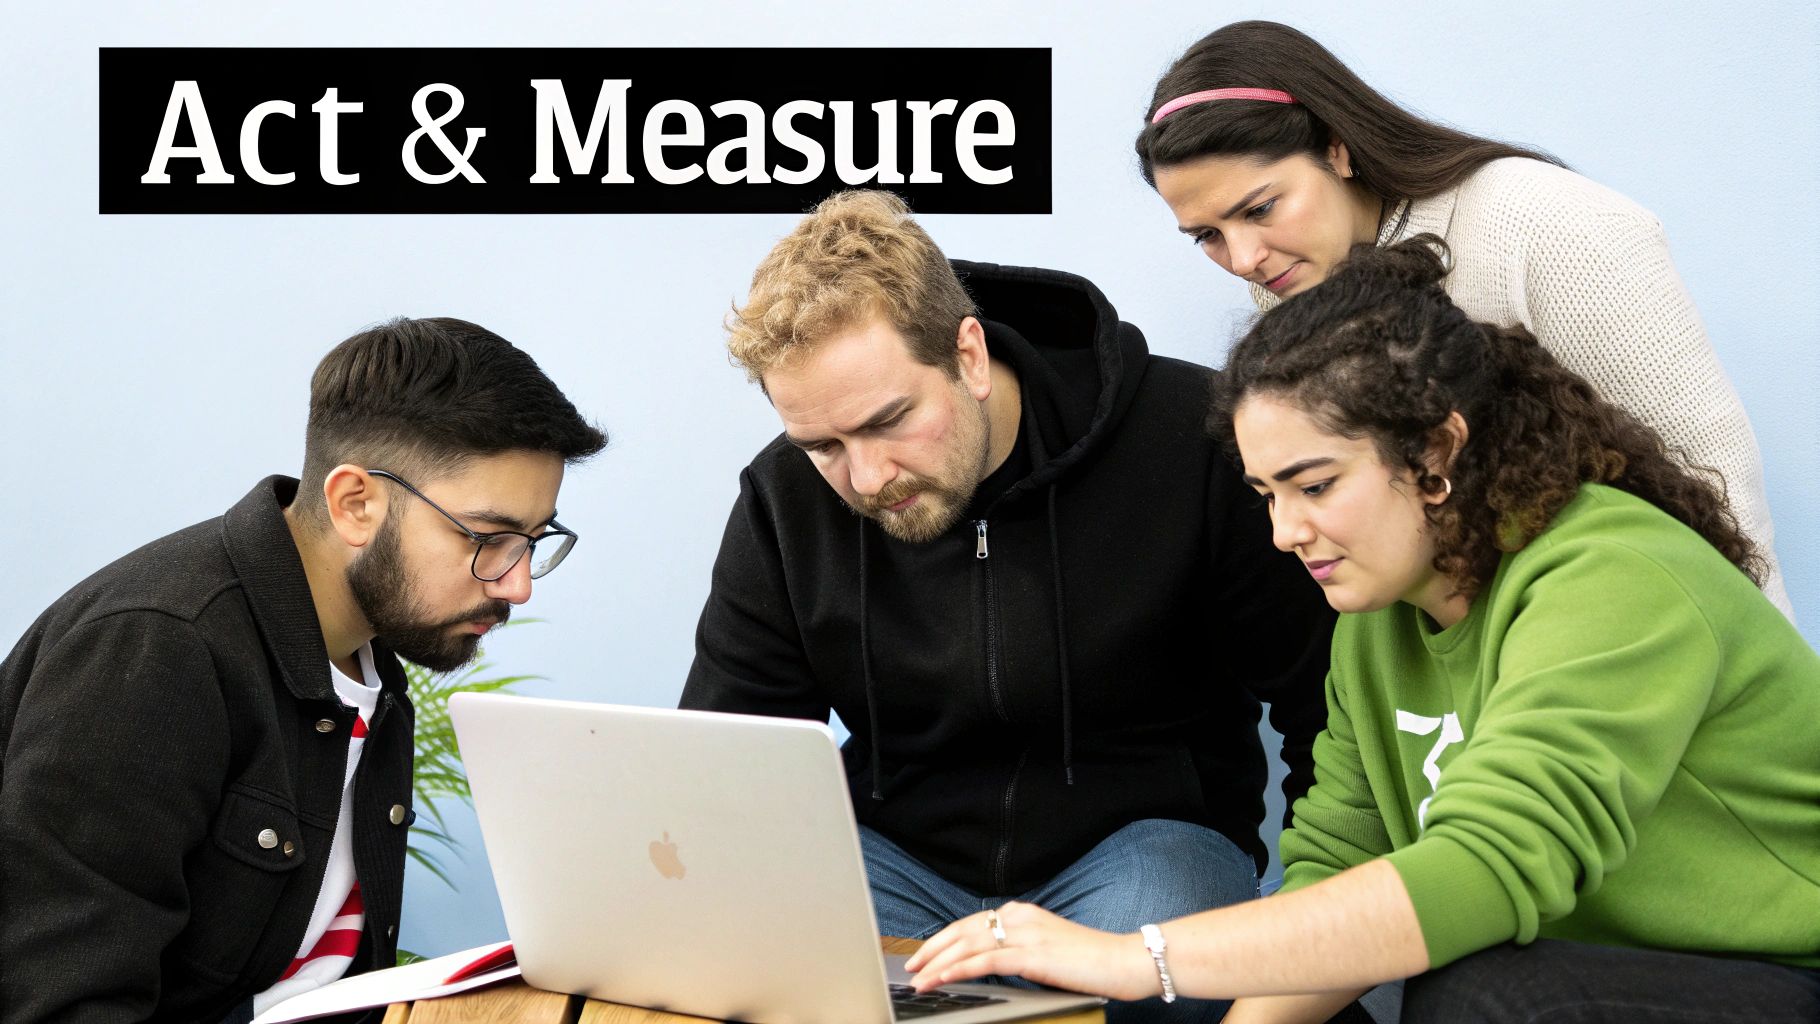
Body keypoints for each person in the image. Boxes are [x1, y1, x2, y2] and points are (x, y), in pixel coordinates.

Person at [904, 238, 1820, 1023]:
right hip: (1600, 971)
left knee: (1479, 994)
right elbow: (1335, 867)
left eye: (1315, 485)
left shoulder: (1613, 576)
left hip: (1782, 970)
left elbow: (1490, 869)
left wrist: (1128, 957)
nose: (1284, 533)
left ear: (1437, 453)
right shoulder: (1378, 618)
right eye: (1267, 495)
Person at [679, 190, 1333, 1021]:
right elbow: (732, 754)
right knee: (745, 977)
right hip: (894, 858)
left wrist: (1316, 921)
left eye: (891, 421)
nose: (868, 478)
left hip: (1142, 847)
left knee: (1161, 990)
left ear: (971, 355)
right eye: (824, 447)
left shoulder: (1193, 441)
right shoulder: (784, 499)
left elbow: (1324, 705)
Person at [0, 318, 606, 1023]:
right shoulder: (157, 650)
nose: (517, 584)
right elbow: (59, 1002)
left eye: (533, 541)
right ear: (356, 504)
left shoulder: (371, 662)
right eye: (488, 539)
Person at [1132, 19, 1793, 618]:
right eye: (1205, 235)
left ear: (1335, 148)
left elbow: (1712, 483)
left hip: (1650, 644)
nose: (1244, 257)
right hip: (1476, 665)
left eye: (1259, 209)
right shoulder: (1290, 282)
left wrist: (1736, 695)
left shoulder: (1547, 227)